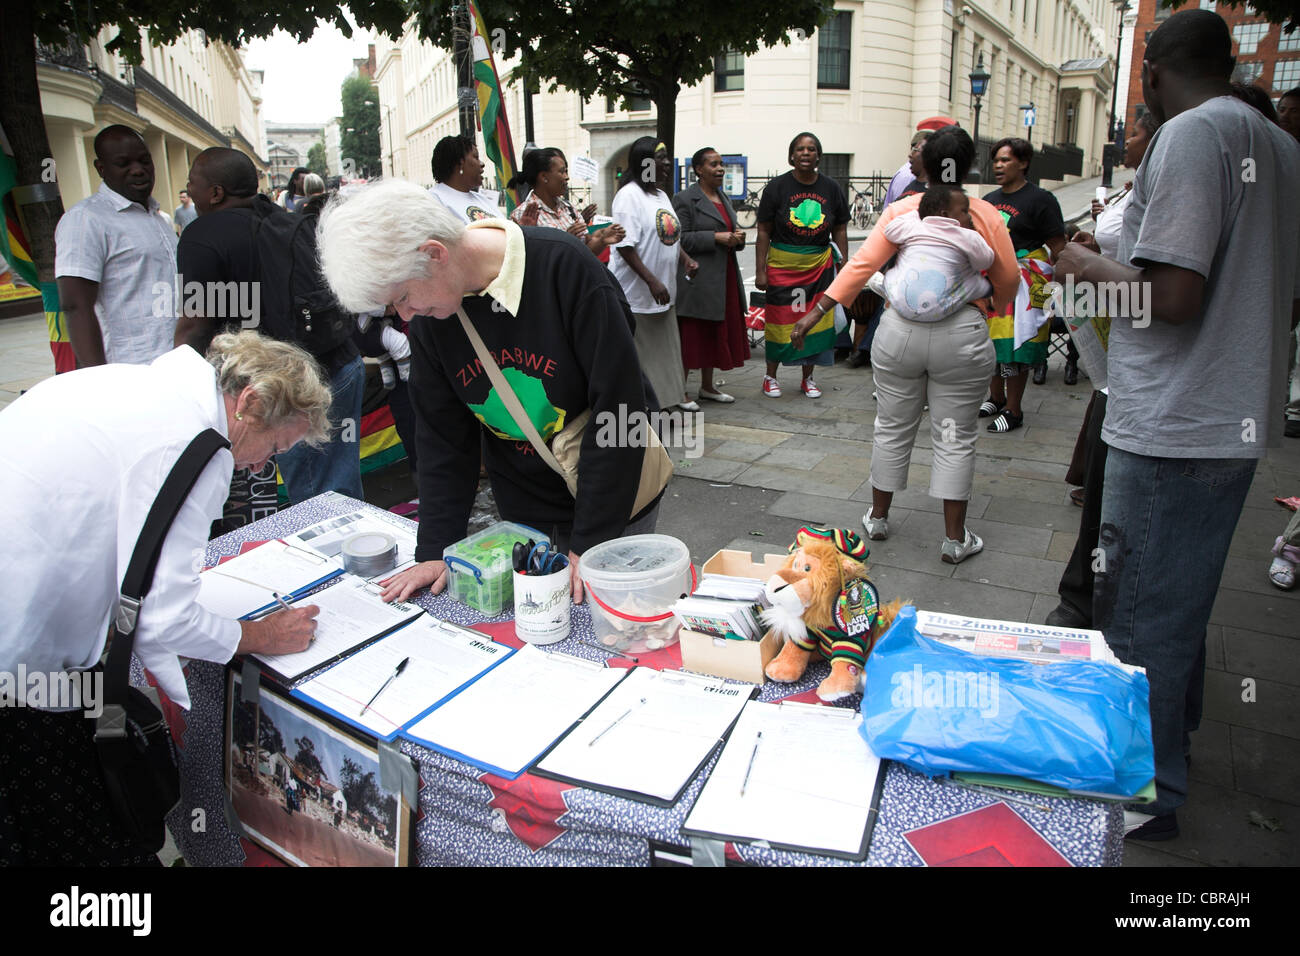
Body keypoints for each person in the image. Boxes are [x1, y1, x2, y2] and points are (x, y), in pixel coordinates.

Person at [1053, 9, 1300, 841]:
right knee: (1178, 606)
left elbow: (1171, 297)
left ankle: (1141, 795)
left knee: (1135, 619)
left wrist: (1085, 266)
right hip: (1227, 415)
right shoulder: (1280, 145)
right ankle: (1170, 759)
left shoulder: (1192, 135)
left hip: (1172, 420)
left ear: (1151, 70)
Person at [0, 331, 327, 864]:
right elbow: (164, 618)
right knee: (64, 829)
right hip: (17, 662)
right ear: (249, 404)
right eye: (274, 448)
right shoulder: (199, 447)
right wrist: (262, 634)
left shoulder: (134, 384)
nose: (263, 468)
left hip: (19, 614)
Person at [315, 179, 663, 606]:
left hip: (614, 497)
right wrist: (434, 550)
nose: (406, 315)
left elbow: (621, 413)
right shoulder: (432, 318)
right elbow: (443, 438)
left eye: (403, 298)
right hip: (527, 504)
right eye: (393, 309)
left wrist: (589, 542)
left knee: (613, 623)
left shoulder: (563, 268)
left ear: (434, 253)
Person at [791, 126, 1018, 563]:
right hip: (962, 337)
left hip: (899, 333)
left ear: (925, 167)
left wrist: (816, 311)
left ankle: (877, 519)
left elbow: (860, 266)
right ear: (969, 168)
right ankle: (955, 540)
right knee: (953, 435)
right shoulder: (984, 214)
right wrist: (983, 297)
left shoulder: (900, 211)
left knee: (892, 425)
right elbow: (1007, 282)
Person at [176, 147, 366, 507]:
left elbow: (195, 325)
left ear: (215, 193)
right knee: (337, 493)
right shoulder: (284, 219)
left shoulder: (203, 235)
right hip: (340, 366)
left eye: (192, 185)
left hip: (285, 393)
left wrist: (176, 396)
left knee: (315, 500)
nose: (190, 192)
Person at [1045, 112, 1159, 629]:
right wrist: (1093, 250)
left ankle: (1095, 602)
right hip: (1117, 345)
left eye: (1134, 133)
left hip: (1136, 346)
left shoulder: (1170, 179)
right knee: (1104, 430)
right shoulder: (1139, 185)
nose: (1125, 141)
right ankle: (1084, 594)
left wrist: (1088, 265)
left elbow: (1165, 294)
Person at [55, 125, 178, 367]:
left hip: (173, 364)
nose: (138, 171)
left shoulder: (158, 218)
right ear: (101, 168)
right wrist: (101, 379)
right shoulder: (85, 219)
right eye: (124, 164)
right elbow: (75, 305)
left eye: (144, 161)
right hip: (128, 369)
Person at [979, 138, 1067, 429]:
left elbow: (1059, 249)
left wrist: (1051, 297)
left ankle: (1014, 410)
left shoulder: (1041, 200)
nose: (998, 166)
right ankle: (996, 398)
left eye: (1005, 160)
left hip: (1028, 284)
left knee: (1018, 347)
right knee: (991, 344)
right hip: (995, 282)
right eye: (996, 161)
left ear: (1023, 163)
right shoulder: (989, 200)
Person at [755, 132, 849, 399]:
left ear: (818, 156)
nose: (805, 153)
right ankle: (770, 376)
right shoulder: (776, 188)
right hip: (782, 266)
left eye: (811, 149)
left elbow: (840, 227)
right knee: (780, 321)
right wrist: (761, 269)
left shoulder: (831, 188)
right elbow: (763, 230)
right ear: (791, 156)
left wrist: (843, 265)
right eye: (800, 149)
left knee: (815, 322)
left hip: (819, 267)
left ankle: (808, 378)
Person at [609, 136, 699, 411]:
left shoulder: (660, 195)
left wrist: (685, 259)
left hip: (663, 294)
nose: (667, 163)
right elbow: (625, 246)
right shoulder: (628, 196)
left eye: (666, 157)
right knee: (642, 357)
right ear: (645, 162)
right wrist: (651, 281)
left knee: (664, 357)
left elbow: (669, 234)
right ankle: (643, 409)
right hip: (639, 297)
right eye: (660, 157)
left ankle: (661, 404)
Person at [672, 147, 750, 404]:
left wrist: (737, 238)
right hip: (699, 279)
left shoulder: (722, 197)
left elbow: (730, 230)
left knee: (715, 332)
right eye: (713, 164)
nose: (719, 169)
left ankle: (707, 386)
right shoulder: (684, 199)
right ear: (698, 169)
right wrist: (716, 237)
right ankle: (679, 391)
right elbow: (678, 238)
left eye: (721, 164)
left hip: (724, 277)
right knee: (693, 336)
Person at [877, 185, 993, 322]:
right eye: (965, 211)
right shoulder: (968, 236)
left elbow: (890, 230)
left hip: (903, 305)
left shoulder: (914, 227)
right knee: (979, 283)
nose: (970, 217)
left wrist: (917, 213)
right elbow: (986, 261)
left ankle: (880, 282)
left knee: (892, 274)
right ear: (945, 215)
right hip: (943, 309)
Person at [507, 147, 625, 255]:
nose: (566, 177)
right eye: (562, 171)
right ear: (544, 177)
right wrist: (566, 241)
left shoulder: (569, 208)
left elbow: (585, 253)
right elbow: (526, 260)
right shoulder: (522, 215)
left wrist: (602, 240)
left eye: (566, 171)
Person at [429, 135, 504, 223]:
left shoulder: (482, 199)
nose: (482, 164)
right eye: (476, 157)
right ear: (460, 162)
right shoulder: (433, 200)